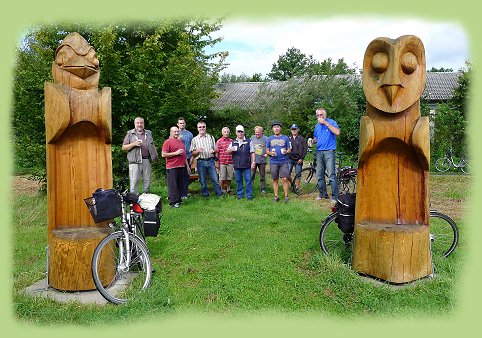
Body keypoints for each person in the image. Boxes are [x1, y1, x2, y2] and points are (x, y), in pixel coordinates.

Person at [122, 117, 158, 194]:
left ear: (143, 124)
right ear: (135, 124)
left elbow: (152, 144)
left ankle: (145, 198)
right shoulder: (130, 133)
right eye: (137, 123)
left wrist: (156, 155)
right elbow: (124, 147)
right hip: (134, 161)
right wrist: (134, 144)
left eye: (141, 123)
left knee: (147, 180)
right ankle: (134, 200)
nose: (139, 124)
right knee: (134, 181)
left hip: (146, 159)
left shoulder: (148, 133)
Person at [313, 107, 340, 202]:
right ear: (316, 116)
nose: (320, 116)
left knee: (331, 174)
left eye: (322, 115)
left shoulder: (331, 122)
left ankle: (335, 196)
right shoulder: (316, 126)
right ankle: (322, 194)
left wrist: (326, 123)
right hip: (319, 151)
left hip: (329, 151)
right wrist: (312, 141)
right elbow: (316, 139)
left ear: (325, 115)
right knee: (319, 174)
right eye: (318, 115)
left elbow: (337, 132)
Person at [190, 120, 223, 197]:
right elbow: (192, 153)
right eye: (200, 127)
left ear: (205, 127)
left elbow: (216, 149)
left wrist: (214, 150)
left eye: (203, 127)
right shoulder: (195, 139)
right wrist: (197, 151)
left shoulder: (211, 137)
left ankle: (219, 194)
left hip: (210, 161)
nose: (202, 128)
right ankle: (205, 195)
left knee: (215, 179)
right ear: (197, 128)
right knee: (202, 180)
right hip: (201, 161)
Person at [161, 127, 190, 208]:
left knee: (180, 184)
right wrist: (176, 153)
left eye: (177, 131)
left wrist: (187, 166)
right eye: (175, 132)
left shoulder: (180, 142)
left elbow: (184, 155)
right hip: (172, 167)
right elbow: (163, 154)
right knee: (173, 185)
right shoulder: (167, 142)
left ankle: (178, 200)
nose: (176, 133)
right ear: (171, 132)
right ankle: (173, 203)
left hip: (181, 166)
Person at [266, 121, 292, 203]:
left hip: (284, 161)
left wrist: (286, 151)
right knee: (275, 179)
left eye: (277, 127)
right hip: (273, 161)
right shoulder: (269, 138)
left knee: (285, 178)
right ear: (272, 129)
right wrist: (271, 153)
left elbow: (289, 149)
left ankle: (286, 196)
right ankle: (276, 196)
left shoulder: (285, 138)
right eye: (274, 127)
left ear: (280, 128)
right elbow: (266, 150)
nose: (276, 128)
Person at [227, 125, 254, 200]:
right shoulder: (233, 142)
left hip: (247, 164)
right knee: (238, 181)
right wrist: (231, 150)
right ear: (236, 132)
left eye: (241, 131)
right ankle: (240, 195)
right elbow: (227, 152)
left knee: (248, 181)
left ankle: (249, 196)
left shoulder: (249, 141)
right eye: (238, 131)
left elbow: (252, 152)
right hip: (237, 165)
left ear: (243, 132)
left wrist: (253, 162)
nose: (240, 133)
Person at [177, 117, 193, 199]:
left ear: (185, 124)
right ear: (178, 124)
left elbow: (192, 146)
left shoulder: (190, 134)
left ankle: (185, 192)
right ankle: (179, 193)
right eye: (180, 123)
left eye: (183, 123)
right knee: (179, 176)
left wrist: (192, 157)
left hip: (188, 157)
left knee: (186, 176)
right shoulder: (175, 133)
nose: (182, 124)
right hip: (178, 158)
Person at [288, 124, 308, 193]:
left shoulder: (301, 138)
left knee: (298, 174)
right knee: (287, 174)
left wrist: (302, 159)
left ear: (298, 130)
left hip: (298, 159)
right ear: (291, 130)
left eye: (295, 129)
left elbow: (305, 149)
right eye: (292, 129)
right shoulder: (288, 139)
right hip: (289, 159)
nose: (294, 130)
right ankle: (292, 185)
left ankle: (296, 188)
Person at [216, 127, 234, 194]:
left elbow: (234, 152)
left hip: (230, 161)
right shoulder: (219, 141)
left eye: (227, 132)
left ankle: (228, 189)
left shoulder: (232, 141)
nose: (226, 133)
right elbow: (217, 152)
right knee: (222, 177)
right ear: (222, 133)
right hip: (222, 162)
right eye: (225, 132)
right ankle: (220, 190)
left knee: (229, 177)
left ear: (229, 133)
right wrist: (217, 162)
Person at [250, 126, 268, 193]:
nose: (257, 133)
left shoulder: (266, 138)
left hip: (262, 160)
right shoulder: (252, 137)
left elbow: (270, 147)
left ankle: (263, 188)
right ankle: (250, 188)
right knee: (251, 175)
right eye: (256, 132)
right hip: (253, 160)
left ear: (261, 132)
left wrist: (267, 154)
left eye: (258, 132)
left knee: (262, 176)